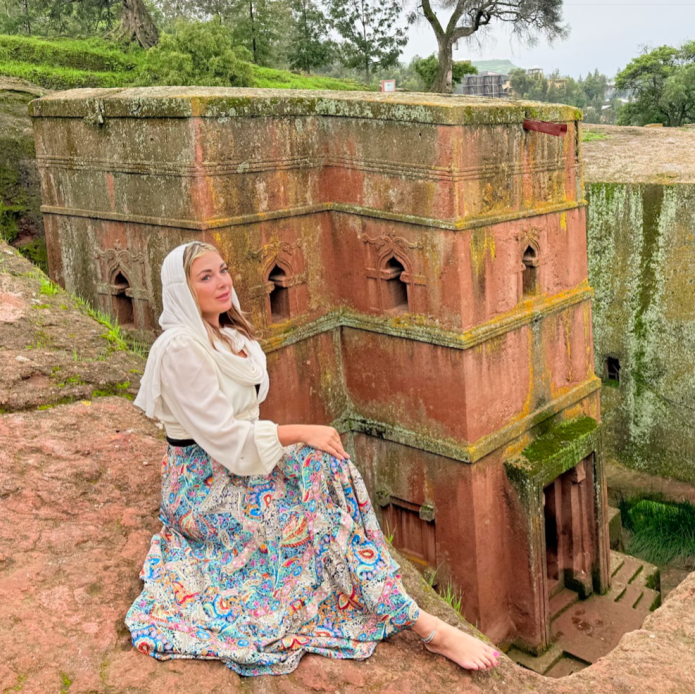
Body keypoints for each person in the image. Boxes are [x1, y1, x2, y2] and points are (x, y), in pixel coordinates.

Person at [126, 241, 500, 676]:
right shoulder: (179, 349)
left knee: (330, 468)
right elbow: (229, 440)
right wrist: (302, 431)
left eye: (223, 270)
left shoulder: (226, 337)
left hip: (238, 467)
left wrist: (302, 444)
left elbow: (245, 432)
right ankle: (426, 627)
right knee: (307, 524)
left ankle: (375, 580)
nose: (222, 281)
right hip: (202, 484)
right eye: (205, 277)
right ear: (181, 290)